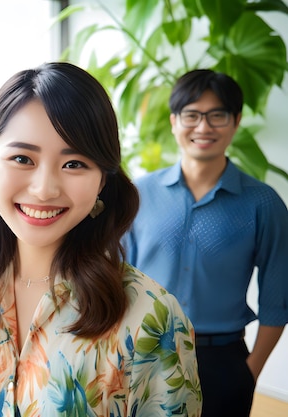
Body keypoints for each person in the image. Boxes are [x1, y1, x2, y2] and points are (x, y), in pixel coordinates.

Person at [0, 62, 202, 416]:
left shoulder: (149, 314)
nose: (44, 189)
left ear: (102, 179)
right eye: (22, 158)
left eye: (74, 163)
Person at [123, 69, 288, 416]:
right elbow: (115, 276)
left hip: (223, 361)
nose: (203, 127)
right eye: (192, 115)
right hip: (143, 352)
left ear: (236, 121)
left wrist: (249, 371)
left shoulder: (263, 202)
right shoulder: (138, 195)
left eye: (217, 115)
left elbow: (278, 298)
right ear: (173, 121)